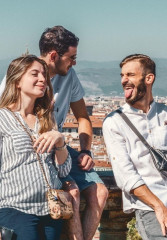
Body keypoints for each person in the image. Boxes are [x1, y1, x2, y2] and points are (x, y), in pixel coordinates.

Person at [0, 26, 108, 240]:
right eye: (71, 57)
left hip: (54, 157)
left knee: (100, 192)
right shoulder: (7, 106)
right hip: (17, 205)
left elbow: (83, 117)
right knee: (73, 193)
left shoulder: (65, 83)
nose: (74, 63)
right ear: (53, 55)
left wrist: (82, 149)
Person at [0, 55, 72, 240]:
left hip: (51, 210)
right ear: (16, 81)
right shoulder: (2, 119)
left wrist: (59, 140)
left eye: (44, 75)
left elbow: (63, 170)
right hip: (16, 210)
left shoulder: (46, 119)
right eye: (35, 74)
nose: (43, 79)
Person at [103, 54, 167, 240]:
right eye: (122, 75)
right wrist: (158, 206)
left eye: (130, 75)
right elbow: (126, 177)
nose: (124, 80)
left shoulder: (164, 114)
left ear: (149, 78)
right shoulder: (115, 122)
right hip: (150, 209)